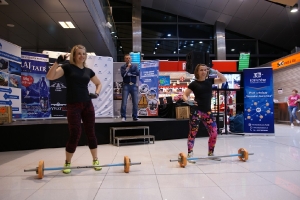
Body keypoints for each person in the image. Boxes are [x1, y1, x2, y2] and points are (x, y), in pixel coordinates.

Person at [46, 44, 102, 174]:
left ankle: (95, 160)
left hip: (87, 104)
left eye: (84, 53)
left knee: (91, 133)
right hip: (73, 105)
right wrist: (57, 62)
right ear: (74, 55)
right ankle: (67, 162)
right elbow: (50, 76)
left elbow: (98, 83)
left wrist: (97, 93)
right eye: (79, 53)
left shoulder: (88, 71)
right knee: (75, 134)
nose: (82, 56)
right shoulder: (67, 67)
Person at [183, 64, 227, 162]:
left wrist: (216, 72)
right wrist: (187, 101)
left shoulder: (210, 81)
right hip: (196, 111)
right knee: (193, 132)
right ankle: (190, 153)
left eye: (205, 70)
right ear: (197, 72)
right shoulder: (194, 84)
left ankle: (211, 153)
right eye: (201, 70)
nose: (203, 72)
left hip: (207, 111)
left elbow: (224, 80)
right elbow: (185, 95)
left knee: (214, 132)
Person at [120, 54, 140, 121]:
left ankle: (135, 116)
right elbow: (123, 75)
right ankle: (123, 116)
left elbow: (137, 73)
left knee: (135, 102)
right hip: (126, 85)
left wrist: (130, 73)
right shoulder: (123, 67)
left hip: (134, 85)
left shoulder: (134, 66)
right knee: (124, 102)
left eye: (129, 58)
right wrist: (128, 68)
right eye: (126, 58)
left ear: (131, 59)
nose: (128, 59)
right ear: (124, 59)